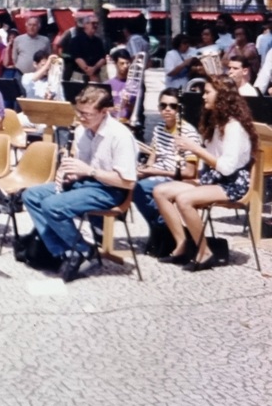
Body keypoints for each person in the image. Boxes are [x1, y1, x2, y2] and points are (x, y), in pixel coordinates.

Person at [21, 87, 138, 282]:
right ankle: (72, 250)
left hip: (111, 190)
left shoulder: (120, 136)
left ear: (104, 112)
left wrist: (88, 171)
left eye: (87, 114)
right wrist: (69, 175)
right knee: (31, 195)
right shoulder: (83, 130)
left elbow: (128, 182)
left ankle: (78, 252)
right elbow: (82, 168)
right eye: (79, 112)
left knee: (52, 206)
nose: (81, 118)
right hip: (86, 183)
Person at [152, 75, 258, 271]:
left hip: (233, 183)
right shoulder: (216, 122)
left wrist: (195, 148)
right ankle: (182, 244)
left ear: (222, 96)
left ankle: (204, 252)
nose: (203, 97)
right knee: (160, 191)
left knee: (184, 200)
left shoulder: (234, 127)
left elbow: (227, 168)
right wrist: (191, 150)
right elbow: (211, 159)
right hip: (214, 179)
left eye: (208, 92)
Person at [132, 88, 202, 257]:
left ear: (180, 109)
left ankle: (161, 228)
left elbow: (190, 172)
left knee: (139, 188)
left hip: (176, 179)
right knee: (131, 185)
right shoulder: (159, 128)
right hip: (158, 175)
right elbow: (153, 157)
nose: (167, 109)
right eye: (163, 105)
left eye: (173, 106)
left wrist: (154, 171)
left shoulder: (188, 132)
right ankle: (161, 227)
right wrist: (145, 169)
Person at [68, 14, 106, 82]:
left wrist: (94, 68)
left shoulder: (98, 41)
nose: (95, 26)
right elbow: (77, 57)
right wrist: (88, 71)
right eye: (93, 23)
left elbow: (103, 58)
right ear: (85, 24)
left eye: (97, 23)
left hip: (95, 75)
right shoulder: (76, 40)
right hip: (79, 75)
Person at [107, 49, 137, 121]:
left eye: (127, 63)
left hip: (127, 122)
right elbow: (101, 108)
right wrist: (112, 109)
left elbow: (138, 110)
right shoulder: (107, 84)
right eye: (122, 63)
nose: (126, 66)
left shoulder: (136, 85)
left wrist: (128, 105)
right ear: (115, 64)